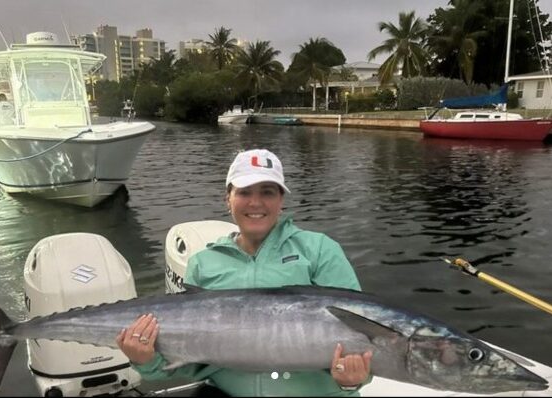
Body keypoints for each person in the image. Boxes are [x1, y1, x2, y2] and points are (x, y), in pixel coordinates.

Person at [117, 149, 372, 396]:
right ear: (228, 199)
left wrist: (352, 380)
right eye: (244, 192)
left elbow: (363, 338)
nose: (256, 202)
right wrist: (147, 361)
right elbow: (191, 365)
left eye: (268, 192)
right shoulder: (203, 263)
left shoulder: (320, 250)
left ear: (281, 200)